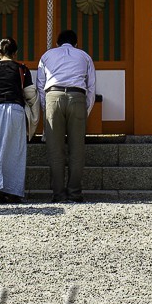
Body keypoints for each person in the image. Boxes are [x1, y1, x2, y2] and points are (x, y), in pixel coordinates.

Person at [36, 29, 96, 202]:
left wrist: (45, 107)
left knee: (55, 150)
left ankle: (58, 193)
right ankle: (75, 192)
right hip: (77, 96)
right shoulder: (84, 56)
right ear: (76, 44)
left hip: (52, 96)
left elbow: (40, 85)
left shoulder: (47, 55)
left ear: (57, 43)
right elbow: (91, 86)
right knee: (77, 149)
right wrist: (86, 109)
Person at [0, 38, 34, 203]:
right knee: (15, 150)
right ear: (16, 52)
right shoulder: (22, 69)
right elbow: (28, 92)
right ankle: (14, 191)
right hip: (15, 108)